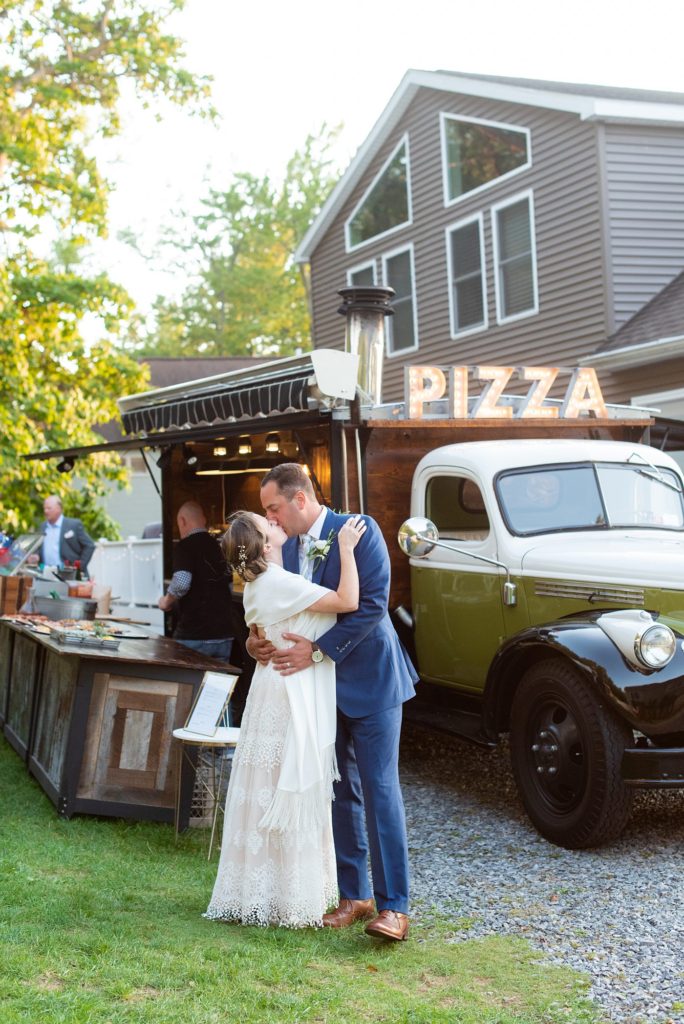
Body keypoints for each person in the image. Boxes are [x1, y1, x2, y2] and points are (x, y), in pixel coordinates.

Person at [253, 463, 418, 942]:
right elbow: (281, 608)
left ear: (300, 499)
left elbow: (370, 606)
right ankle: (355, 894)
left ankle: (394, 908)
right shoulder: (285, 549)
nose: (272, 520)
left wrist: (318, 650)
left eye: (274, 508)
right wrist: (257, 643)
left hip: (372, 683)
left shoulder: (358, 531)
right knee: (339, 791)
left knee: (380, 788)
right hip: (320, 691)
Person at [205, 510, 366, 928]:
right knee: (286, 790)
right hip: (289, 692)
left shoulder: (259, 585)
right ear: (265, 540)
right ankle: (287, 898)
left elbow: (258, 632)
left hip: (270, 689)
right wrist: (346, 549)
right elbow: (348, 601)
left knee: (267, 787)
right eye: (268, 522)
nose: (276, 522)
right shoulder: (276, 582)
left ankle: (262, 891)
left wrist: (256, 640)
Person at [158, 501, 234, 662]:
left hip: (194, 635)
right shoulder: (220, 546)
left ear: (182, 521)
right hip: (224, 635)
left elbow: (182, 582)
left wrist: (166, 601)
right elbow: (229, 584)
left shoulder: (185, 546)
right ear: (204, 520)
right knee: (217, 685)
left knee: (187, 685)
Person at [38, 495, 96, 572]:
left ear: (59, 509)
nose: (46, 511)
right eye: (44, 508)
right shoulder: (43, 526)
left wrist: (80, 567)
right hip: (46, 575)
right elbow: (38, 548)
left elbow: (89, 545)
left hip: (68, 574)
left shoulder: (73, 525)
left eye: (49, 508)